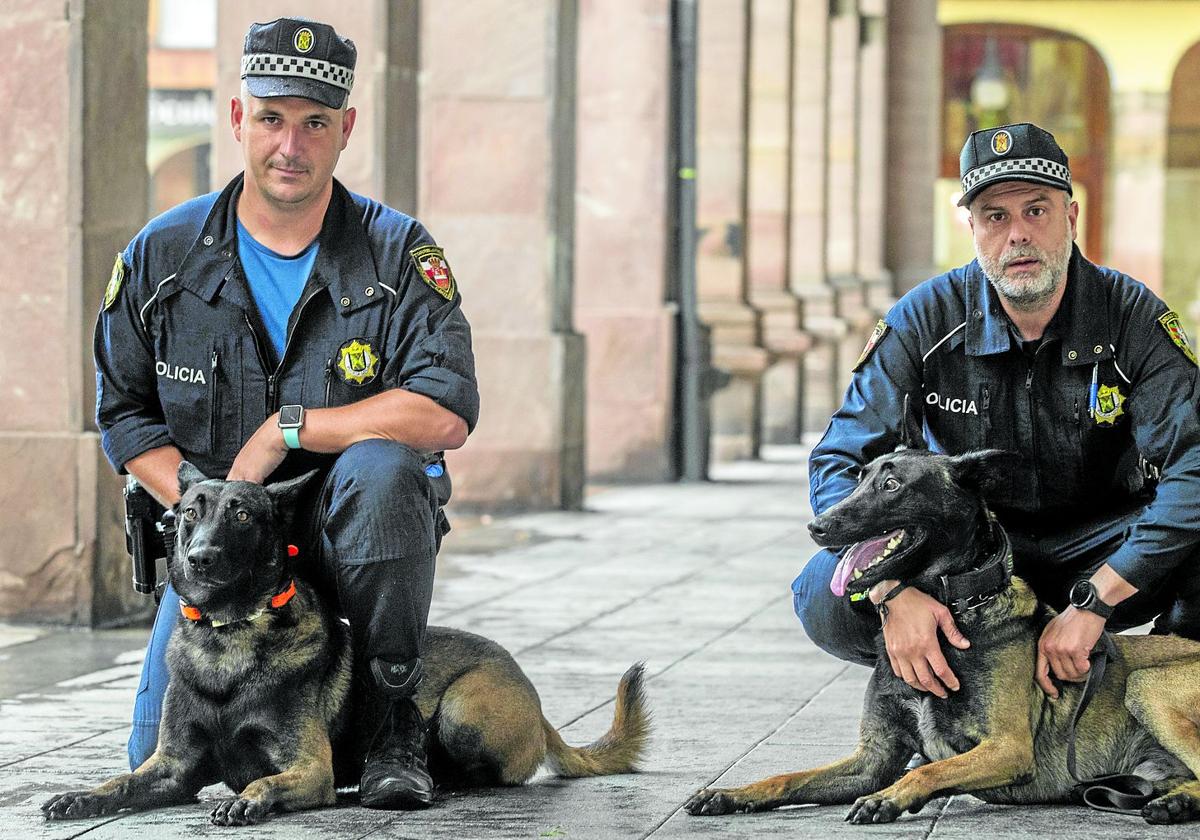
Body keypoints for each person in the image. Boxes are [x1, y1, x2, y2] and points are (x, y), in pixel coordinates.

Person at [94, 17, 478, 810]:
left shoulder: (397, 254)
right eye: (271, 118)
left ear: (347, 130)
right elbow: (124, 413)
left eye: (314, 123)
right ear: (237, 120)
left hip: (351, 544)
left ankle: (394, 720)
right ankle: (304, 743)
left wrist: (291, 430)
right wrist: (207, 509)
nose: (290, 146)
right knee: (161, 763)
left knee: (381, 468)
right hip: (224, 565)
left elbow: (445, 412)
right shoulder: (161, 258)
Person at [792, 122, 1200, 703]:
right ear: (974, 229)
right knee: (825, 598)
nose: (1018, 236)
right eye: (995, 217)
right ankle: (956, 677)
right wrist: (890, 591)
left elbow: (1193, 466)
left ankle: (1160, 700)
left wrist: (1097, 599)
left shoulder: (1130, 314)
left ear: (1071, 217)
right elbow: (841, 457)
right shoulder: (925, 317)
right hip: (970, 553)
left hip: (1104, 548)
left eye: (1036, 210)